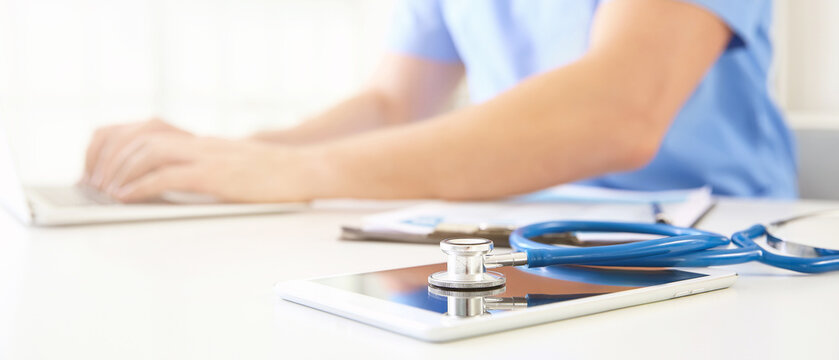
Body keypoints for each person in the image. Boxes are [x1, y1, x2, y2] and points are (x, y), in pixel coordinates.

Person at [81, 0, 796, 203]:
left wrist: (299, 175)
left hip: (708, 243)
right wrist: (225, 160)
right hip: (513, 229)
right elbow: (393, 103)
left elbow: (617, 114)